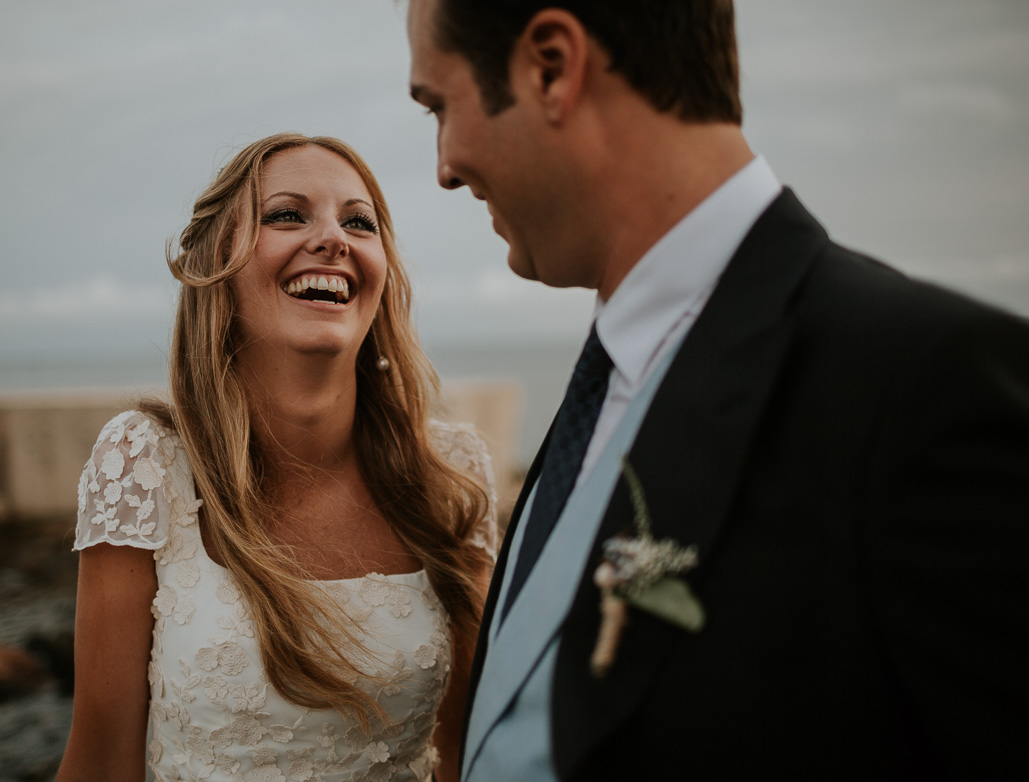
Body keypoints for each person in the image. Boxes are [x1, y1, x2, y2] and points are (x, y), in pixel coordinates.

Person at [406, 0, 1029, 779]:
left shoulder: (923, 386)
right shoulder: (604, 378)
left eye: (439, 106)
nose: (443, 165)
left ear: (551, 68)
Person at [56, 133, 498, 782]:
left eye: (358, 222)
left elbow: (462, 757)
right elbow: (98, 764)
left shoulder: (450, 474)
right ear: (219, 269)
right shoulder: (145, 463)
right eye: (288, 215)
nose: (331, 238)